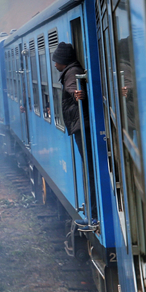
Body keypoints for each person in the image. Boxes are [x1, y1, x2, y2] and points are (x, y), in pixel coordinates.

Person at [52, 42, 98, 216]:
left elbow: (73, 87)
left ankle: (93, 210)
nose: (55, 65)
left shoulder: (71, 72)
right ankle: (93, 208)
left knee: (90, 168)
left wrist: (76, 93)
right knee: (90, 167)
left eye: (56, 61)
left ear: (62, 61)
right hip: (82, 123)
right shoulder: (71, 70)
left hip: (82, 125)